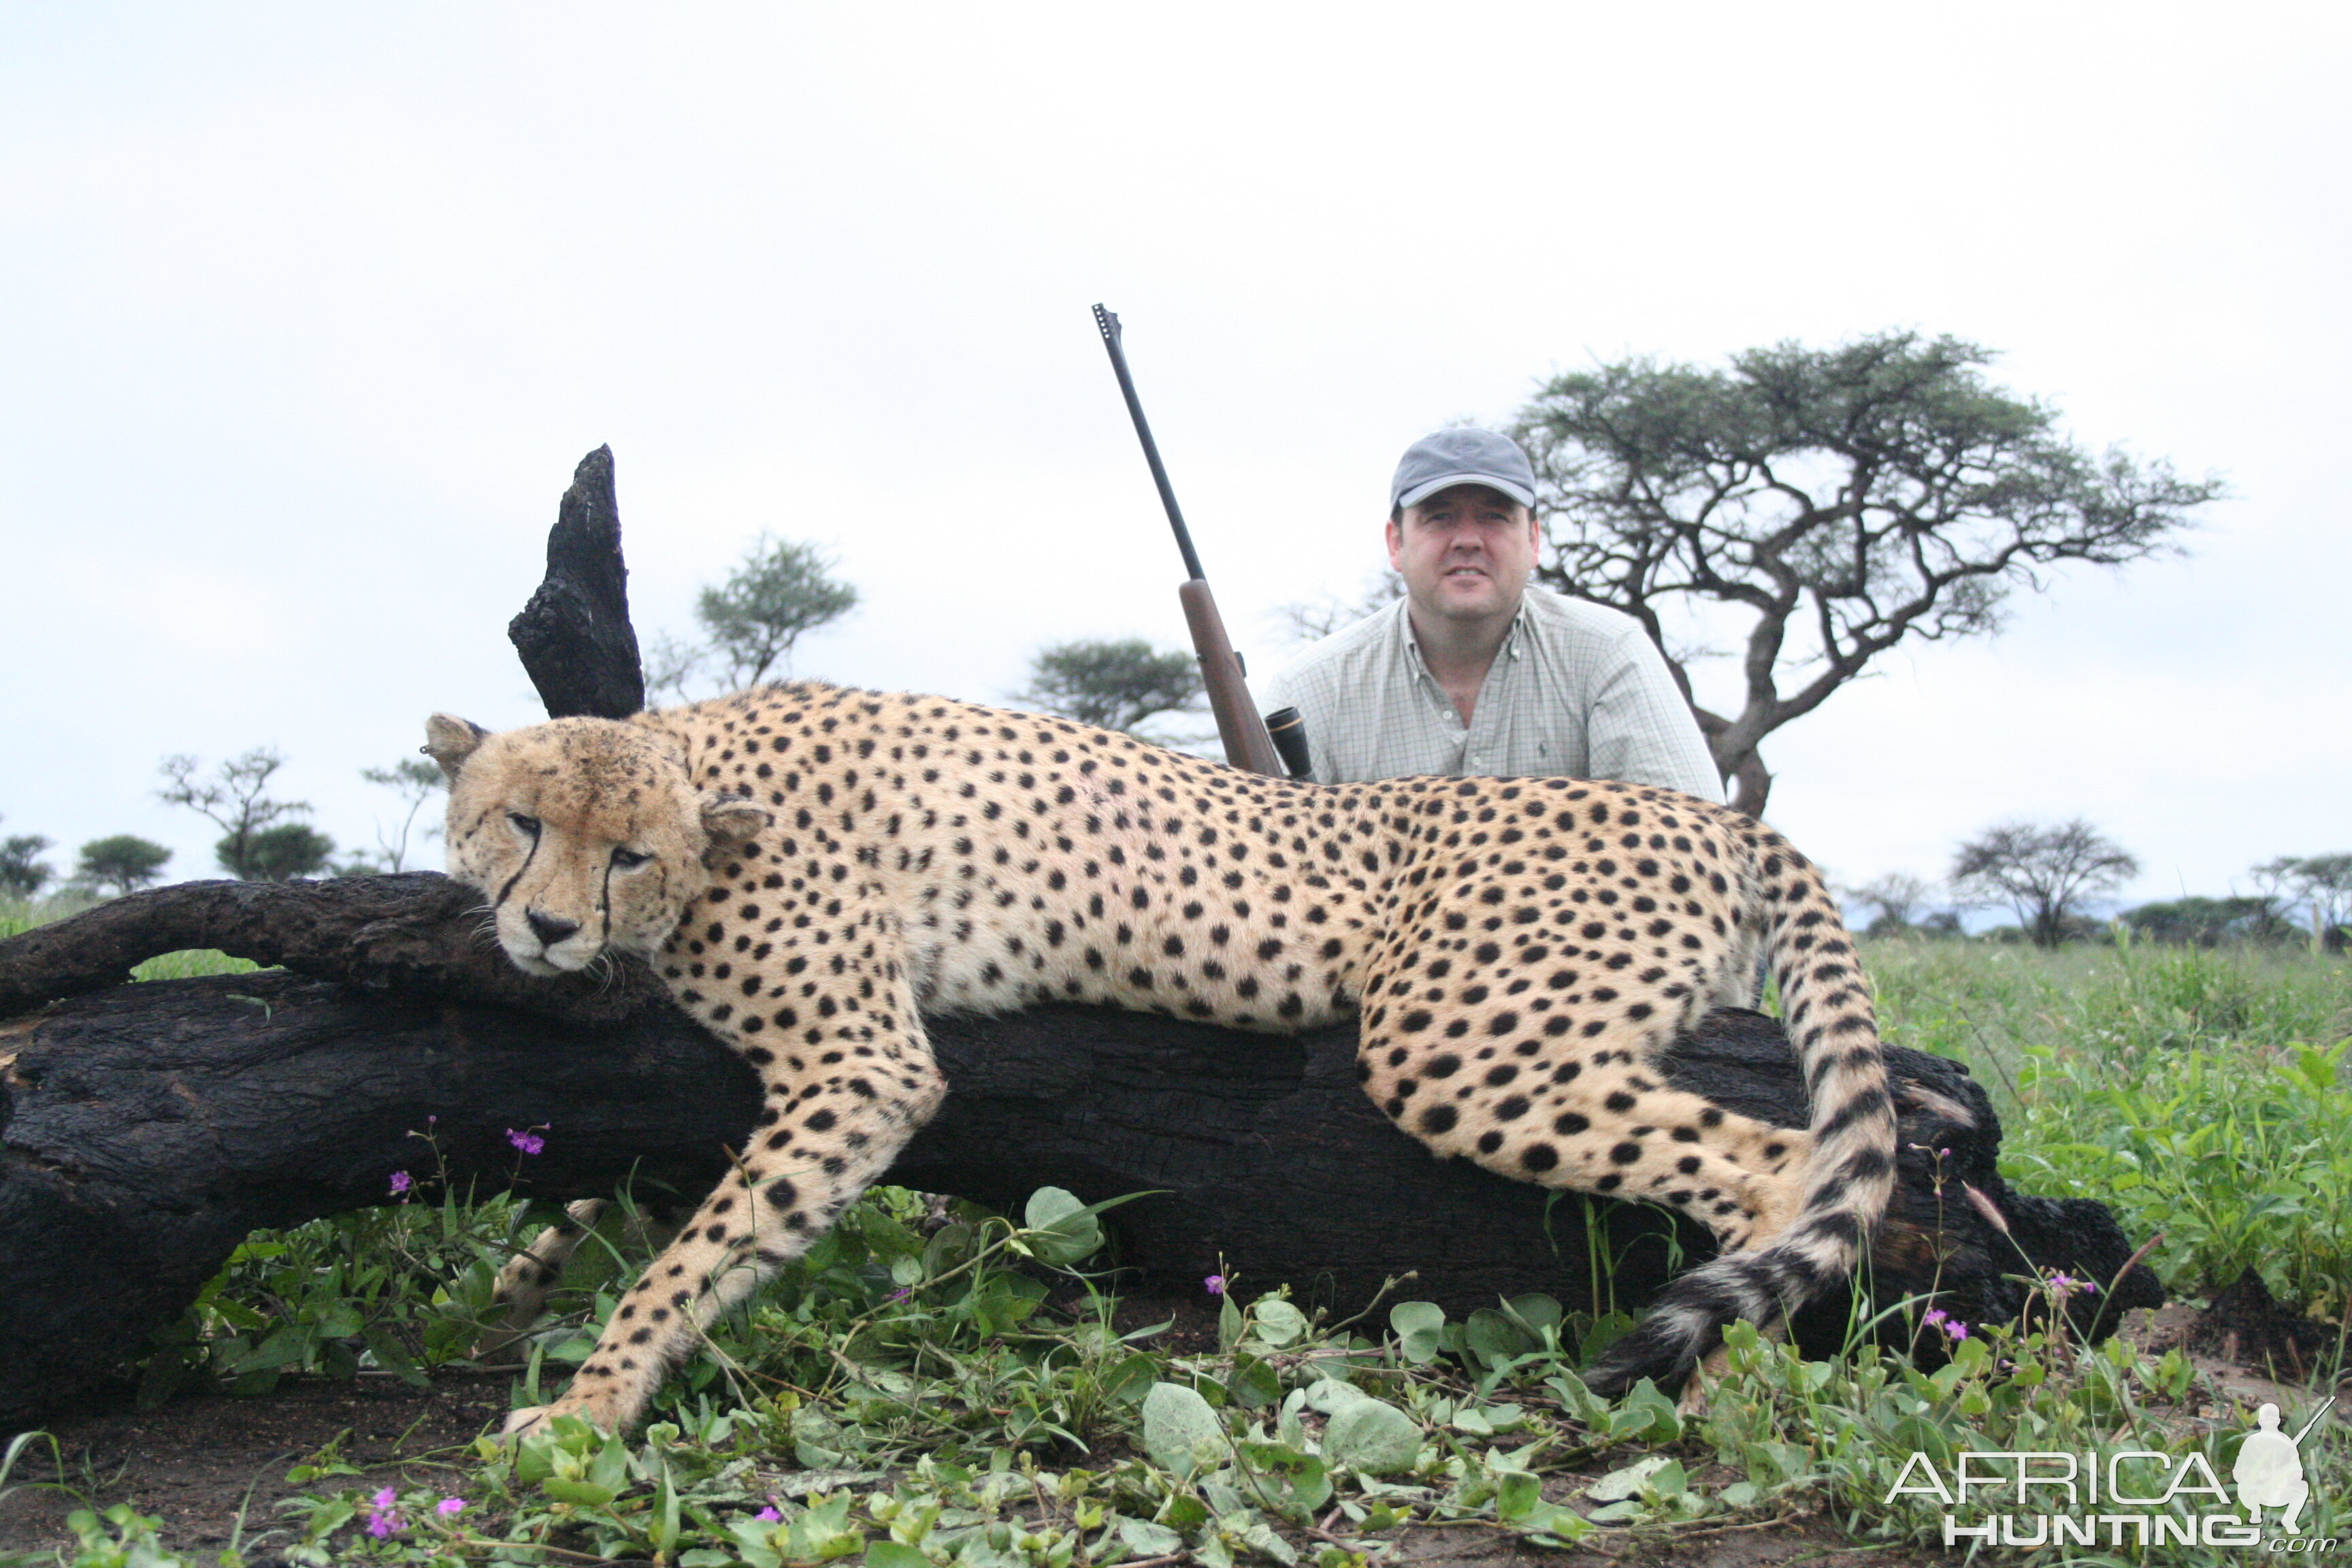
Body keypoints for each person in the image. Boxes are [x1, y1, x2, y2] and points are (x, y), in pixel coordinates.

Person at [1260, 427, 1722, 800]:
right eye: (1439, 517)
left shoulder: (1608, 651)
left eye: (1495, 517)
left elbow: (1696, 844)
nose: (1467, 539)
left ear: (1534, 540)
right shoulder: (1304, 692)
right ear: (1396, 543)